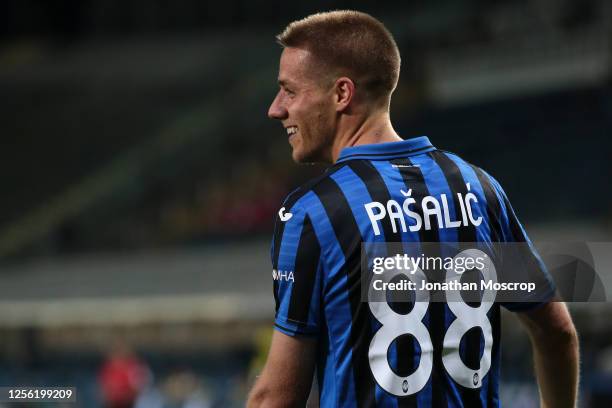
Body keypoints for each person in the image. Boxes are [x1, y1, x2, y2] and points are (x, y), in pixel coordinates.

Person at [247, 10, 579, 408]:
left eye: (289, 91)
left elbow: (277, 397)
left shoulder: (313, 212)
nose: (275, 109)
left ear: (341, 94)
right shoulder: (479, 188)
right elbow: (558, 333)